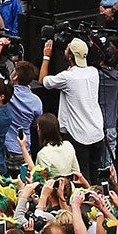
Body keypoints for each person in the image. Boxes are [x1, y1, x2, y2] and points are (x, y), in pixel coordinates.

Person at [39, 37, 108, 180]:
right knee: (96, 177)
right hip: (96, 132)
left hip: (79, 135)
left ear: (70, 56)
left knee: (82, 178)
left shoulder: (67, 77)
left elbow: (42, 80)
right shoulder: (93, 72)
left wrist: (46, 56)